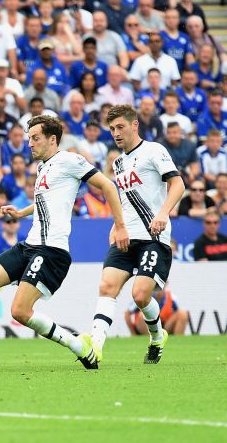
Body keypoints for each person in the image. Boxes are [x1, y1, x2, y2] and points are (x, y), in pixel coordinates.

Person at [0, 114, 129, 369]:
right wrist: (22, 212)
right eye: (28, 139)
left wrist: (120, 225)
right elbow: (45, 201)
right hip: (29, 245)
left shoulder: (71, 160)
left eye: (35, 138)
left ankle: (79, 346)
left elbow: (108, 186)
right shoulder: (42, 167)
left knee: (20, 312)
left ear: (52, 139)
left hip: (51, 250)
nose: (30, 143)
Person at [89, 104, 185, 367]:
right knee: (107, 287)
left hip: (154, 235)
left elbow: (178, 184)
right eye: (111, 129)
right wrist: (116, 224)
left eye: (120, 127)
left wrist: (164, 212)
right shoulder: (117, 162)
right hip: (126, 235)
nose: (116, 133)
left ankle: (156, 337)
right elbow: (123, 199)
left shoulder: (155, 150)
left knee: (141, 295)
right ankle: (94, 348)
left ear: (134, 125)